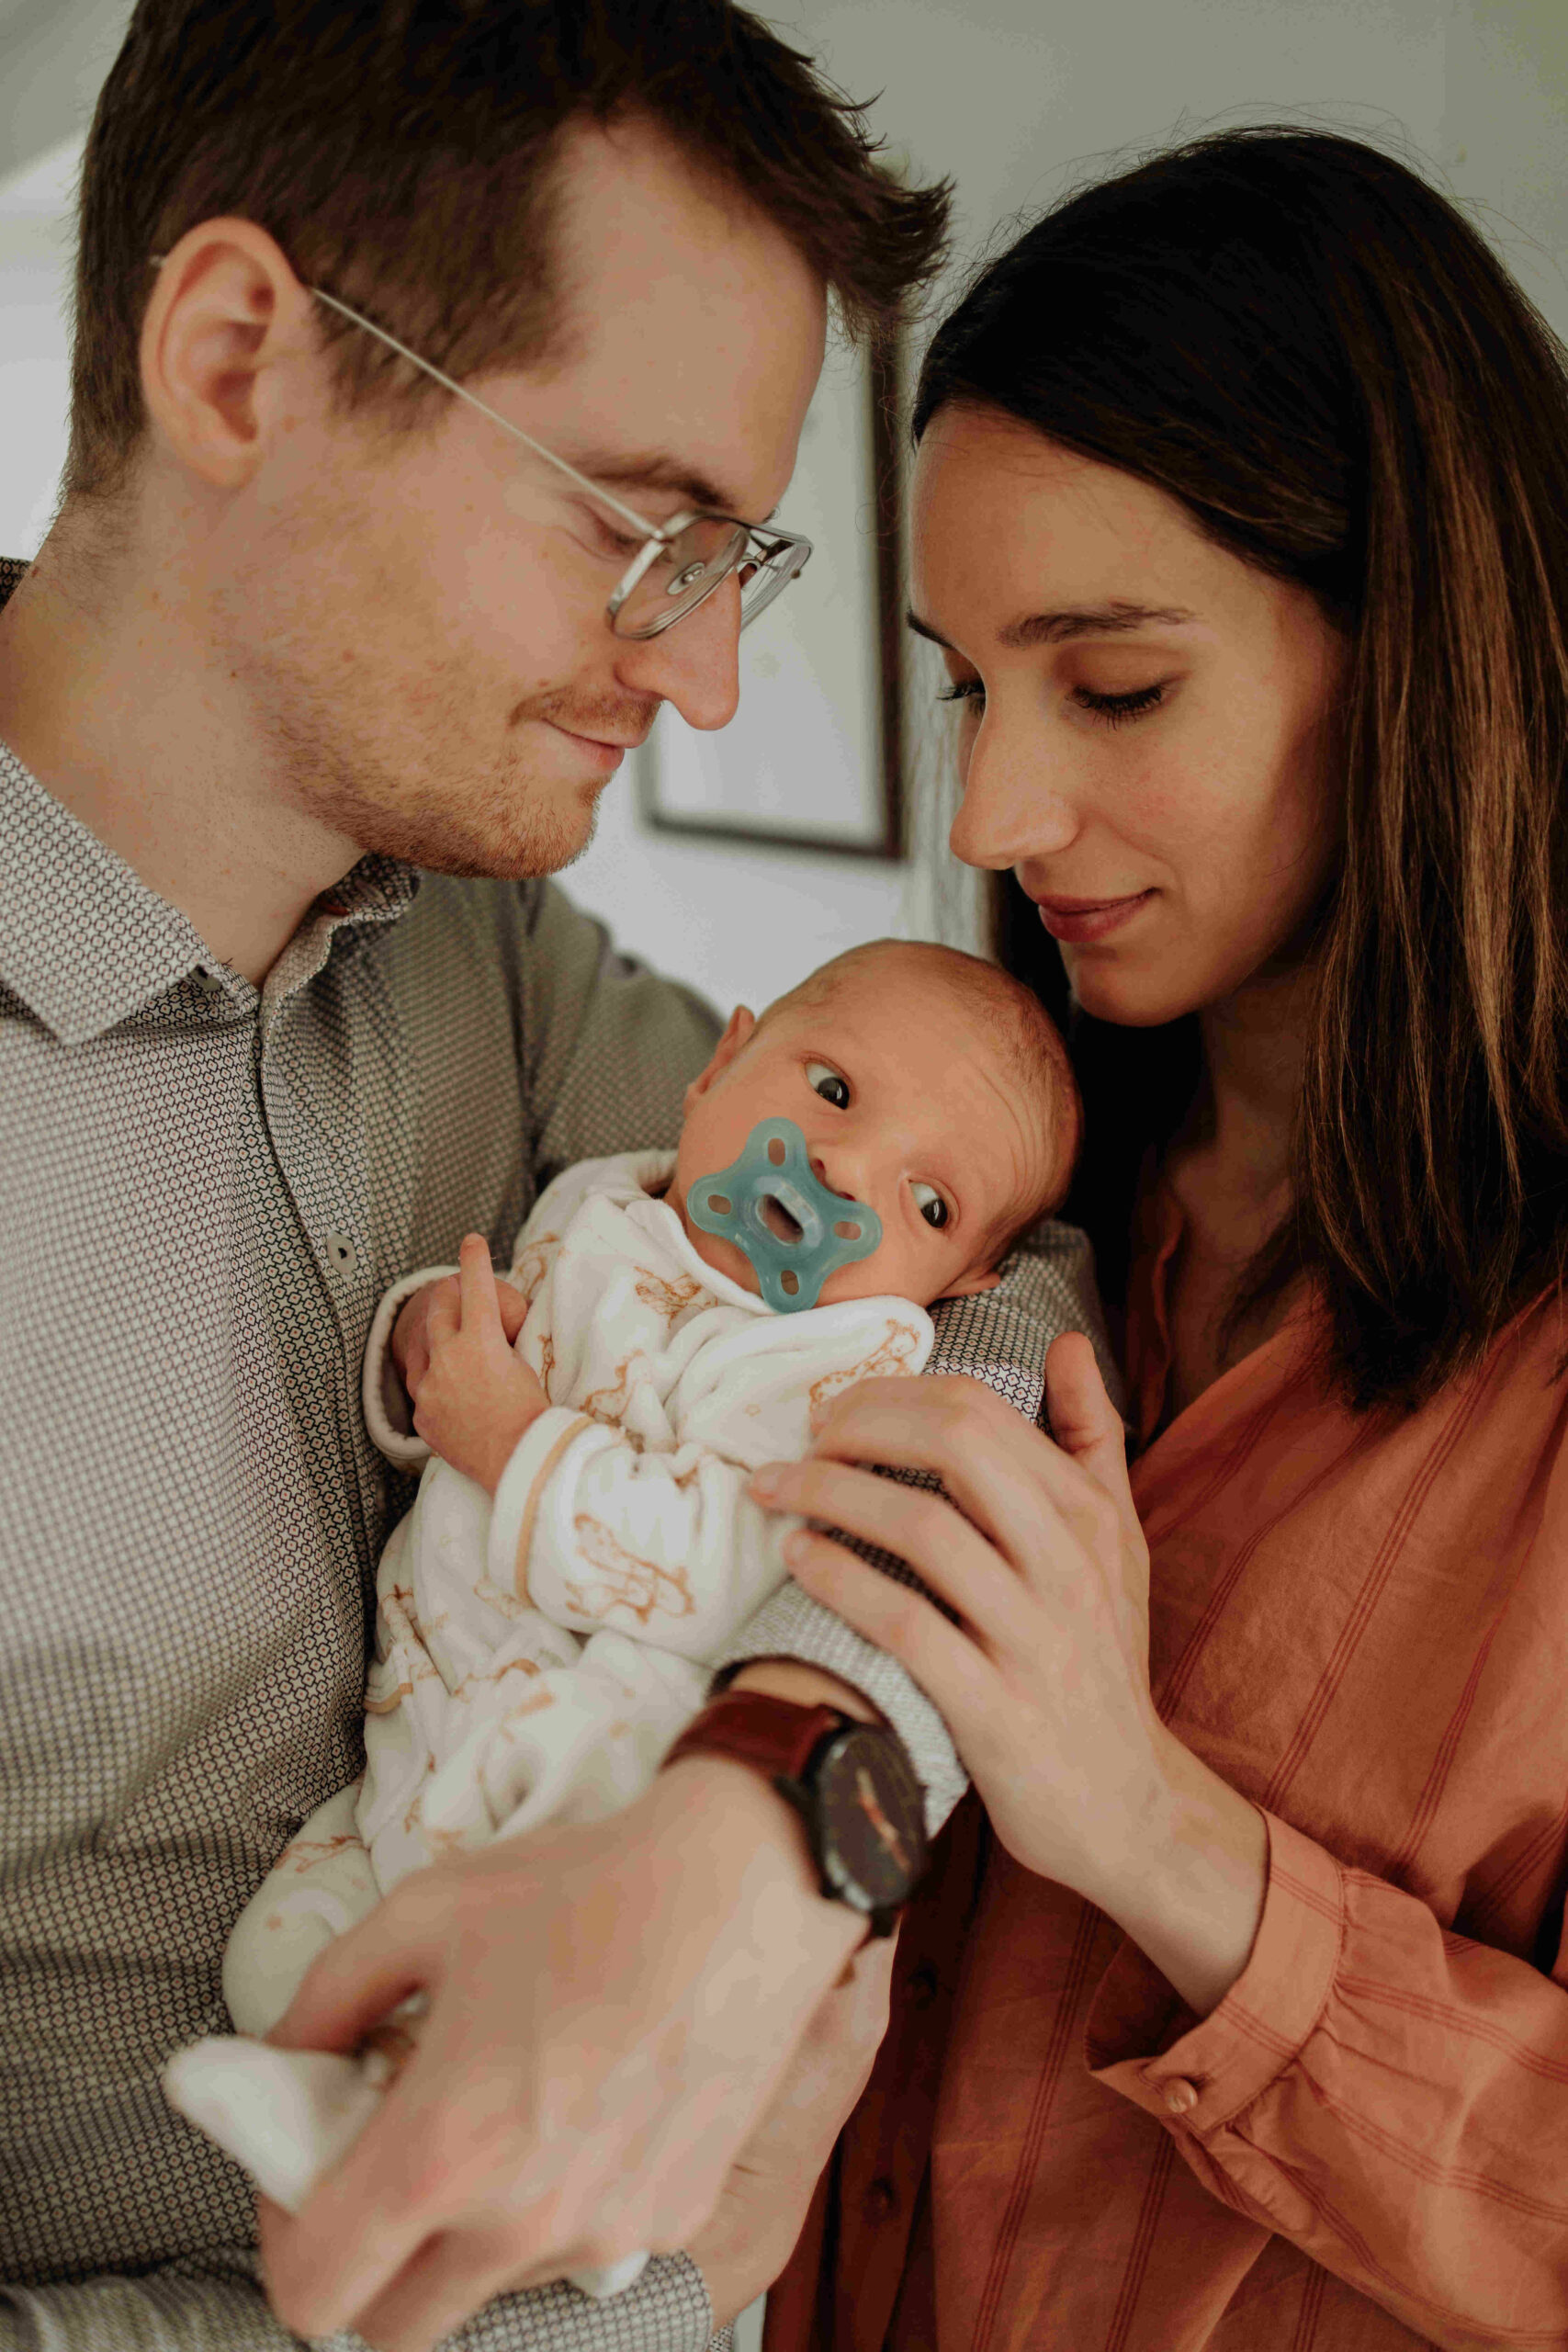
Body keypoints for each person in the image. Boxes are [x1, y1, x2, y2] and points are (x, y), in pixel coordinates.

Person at [0, 5, 1116, 2349]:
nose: (705, 676)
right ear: (236, 362)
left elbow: (1000, 1304)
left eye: (740, 555)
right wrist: (646, 2293)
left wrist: (767, 1811)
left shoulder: (479, 941)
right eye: (639, 526)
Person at [741, 127, 1568, 2350]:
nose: (995, 818)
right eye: (959, 680)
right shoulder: (987, 1212)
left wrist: (1143, 1824)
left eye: (1110, 686)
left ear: (1419, 650)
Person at [164, 939, 1102, 2300]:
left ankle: (588, 2235)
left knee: (517, 1999)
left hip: (595, 1753)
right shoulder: (596, 1205)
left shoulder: (839, 1365)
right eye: (833, 1089)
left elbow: (726, 1569)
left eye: (930, 1198)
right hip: (417, 1726)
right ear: (720, 1065)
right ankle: (338, 2121)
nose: (843, 1171)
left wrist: (517, 1443)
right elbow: (484, 1369)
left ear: (957, 1286)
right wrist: (426, 1334)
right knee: (289, 1955)